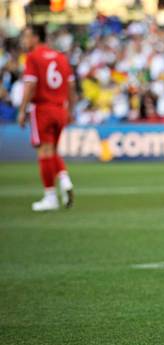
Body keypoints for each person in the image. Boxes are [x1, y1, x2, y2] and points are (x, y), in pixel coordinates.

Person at [18, 25, 76, 211]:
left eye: (27, 37)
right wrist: (71, 110)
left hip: (42, 108)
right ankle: (65, 180)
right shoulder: (61, 57)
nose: (24, 41)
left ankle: (50, 196)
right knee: (51, 150)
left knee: (44, 152)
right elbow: (71, 86)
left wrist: (22, 109)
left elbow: (30, 85)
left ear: (36, 37)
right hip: (60, 109)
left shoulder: (33, 57)